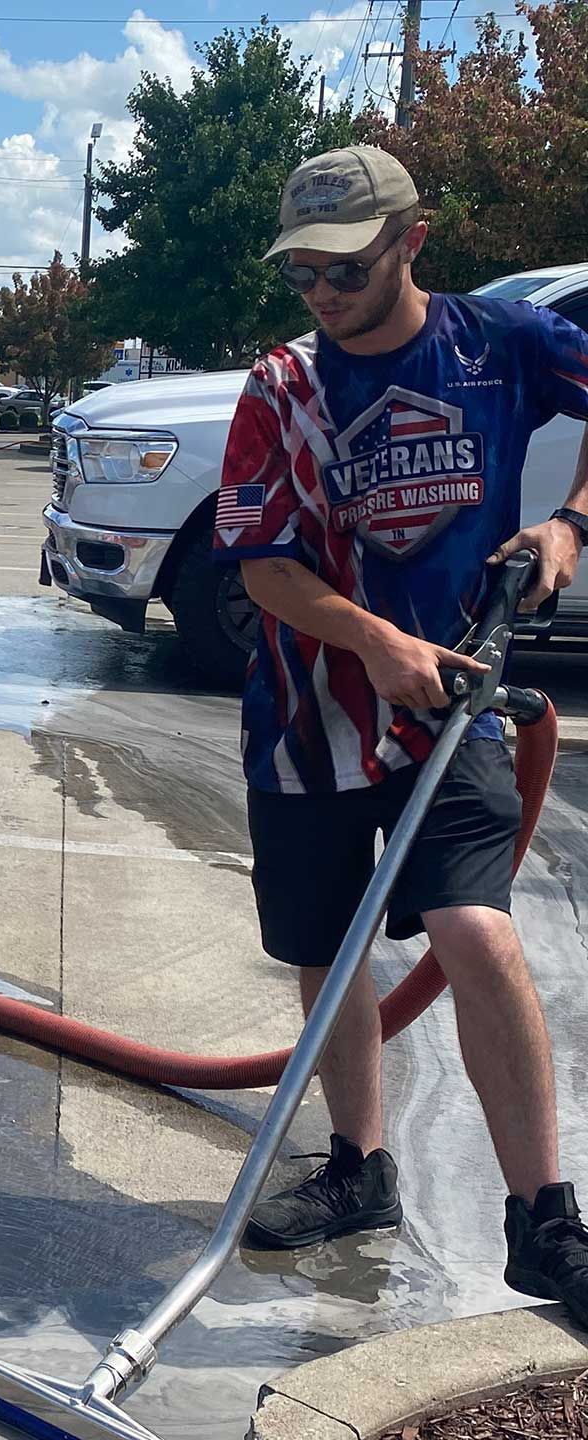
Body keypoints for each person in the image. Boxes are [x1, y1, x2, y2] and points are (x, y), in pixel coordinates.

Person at [214, 145, 588, 1323]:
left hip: (462, 710)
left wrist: (571, 522)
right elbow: (263, 566)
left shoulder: (498, 344)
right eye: (304, 276)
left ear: (410, 241)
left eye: (345, 268)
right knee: (330, 957)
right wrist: (372, 639)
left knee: (478, 936)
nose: (323, 295)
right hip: (307, 721)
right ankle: (358, 1167)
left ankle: (548, 1223)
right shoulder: (281, 392)